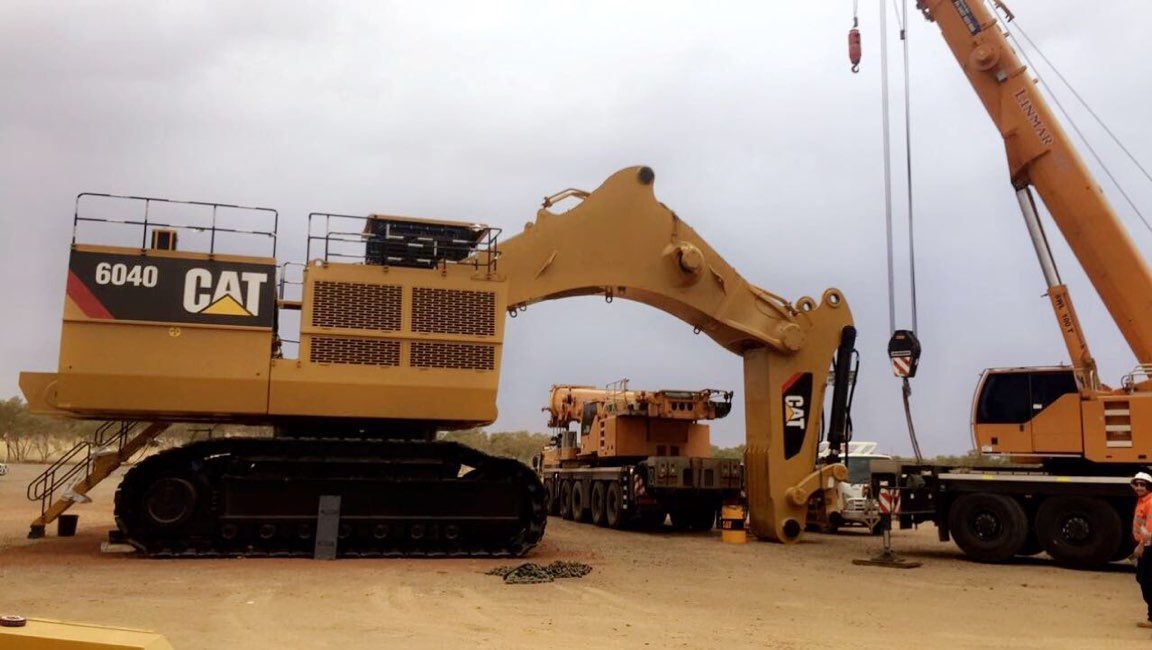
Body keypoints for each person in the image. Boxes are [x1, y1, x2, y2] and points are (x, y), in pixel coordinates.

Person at [1132, 471, 1152, 628]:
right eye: (1137, 484)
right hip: (1146, 544)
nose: (1139, 487)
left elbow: (1149, 529)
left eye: (1142, 485)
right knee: (1144, 579)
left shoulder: (1150, 502)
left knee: (1147, 581)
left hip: (1148, 546)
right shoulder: (1142, 501)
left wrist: (1141, 546)